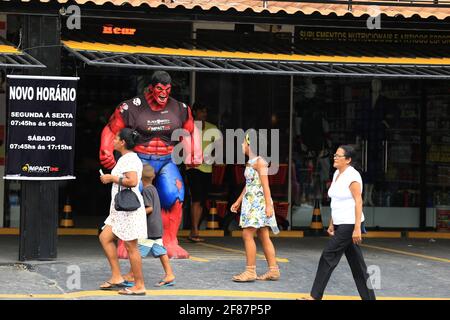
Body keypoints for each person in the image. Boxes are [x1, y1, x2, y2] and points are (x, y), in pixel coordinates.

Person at [99, 71, 202, 259]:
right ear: (151, 88)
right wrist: (106, 149)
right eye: (160, 89)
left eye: (167, 90)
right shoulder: (131, 107)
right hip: (139, 159)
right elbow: (111, 129)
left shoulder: (180, 108)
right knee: (130, 196)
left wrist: (194, 152)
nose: (163, 94)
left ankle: (169, 241)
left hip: (166, 159)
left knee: (174, 194)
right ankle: (126, 241)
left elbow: (190, 130)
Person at [304, 145, 376, 300]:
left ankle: (314, 296)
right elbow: (335, 201)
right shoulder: (337, 173)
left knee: (328, 255)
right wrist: (331, 222)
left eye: (338, 156)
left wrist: (357, 228)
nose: (335, 158)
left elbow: (358, 202)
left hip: (349, 224)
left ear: (348, 160)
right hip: (340, 222)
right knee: (358, 266)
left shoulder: (353, 176)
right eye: (335, 155)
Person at [98, 128, 147, 296]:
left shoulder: (129, 160)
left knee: (131, 246)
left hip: (128, 210)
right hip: (119, 211)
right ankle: (117, 276)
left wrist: (111, 178)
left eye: (116, 138)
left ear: (123, 142)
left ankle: (139, 284)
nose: (113, 141)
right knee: (105, 237)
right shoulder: (125, 158)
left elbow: (132, 181)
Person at [230, 133, 280, 282]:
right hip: (252, 202)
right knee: (263, 235)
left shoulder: (260, 162)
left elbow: (265, 186)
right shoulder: (250, 162)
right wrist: (238, 201)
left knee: (247, 234)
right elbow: (250, 184)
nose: (241, 145)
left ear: (250, 145)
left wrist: (269, 206)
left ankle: (250, 271)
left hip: (258, 203)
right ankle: (273, 270)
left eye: (243, 142)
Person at [123, 164, 176, 287]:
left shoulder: (146, 190)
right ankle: (169, 275)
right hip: (157, 227)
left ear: (140, 176)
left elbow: (149, 208)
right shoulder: (153, 189)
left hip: (149, 229)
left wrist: (135, 213)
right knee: (160, 251)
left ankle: (131, 276)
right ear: (154, 176)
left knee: (137, 252)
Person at [185, 101, 219, 242]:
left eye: (205, 112)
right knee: (196, 199)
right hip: (193, 168)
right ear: (194, 112)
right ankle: (195, 231)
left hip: (207, 168)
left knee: (202, 200)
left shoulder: (213, 128)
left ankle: (194, 230)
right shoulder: (188, 128)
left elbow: (219, 148)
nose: (204, 114)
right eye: (201, 111)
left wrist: (211, 157)